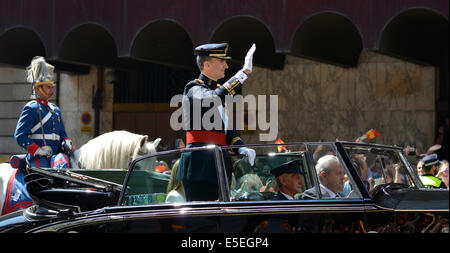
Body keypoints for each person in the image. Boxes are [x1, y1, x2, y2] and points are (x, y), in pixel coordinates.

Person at [177, 43, 257, 201]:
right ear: (207, 64)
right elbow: (212, 99)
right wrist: (242, 74)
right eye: (222, 62)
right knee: (201, 217)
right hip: (199, 165)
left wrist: (240, 147)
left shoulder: (216, 91)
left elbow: (225, 127)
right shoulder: (193, 87)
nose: (226, 66)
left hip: (219, 162)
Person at [14, 56, 74, 169]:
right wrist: (37, 150)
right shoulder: (32, 108)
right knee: (44, 179)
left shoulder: (55, 109)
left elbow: (62, 133)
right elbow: (20, 135)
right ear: (37, 88)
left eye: (52, 87)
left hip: (56, 156)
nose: (51, 90)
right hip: (39, 158)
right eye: (48, 87)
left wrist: (66, 140)